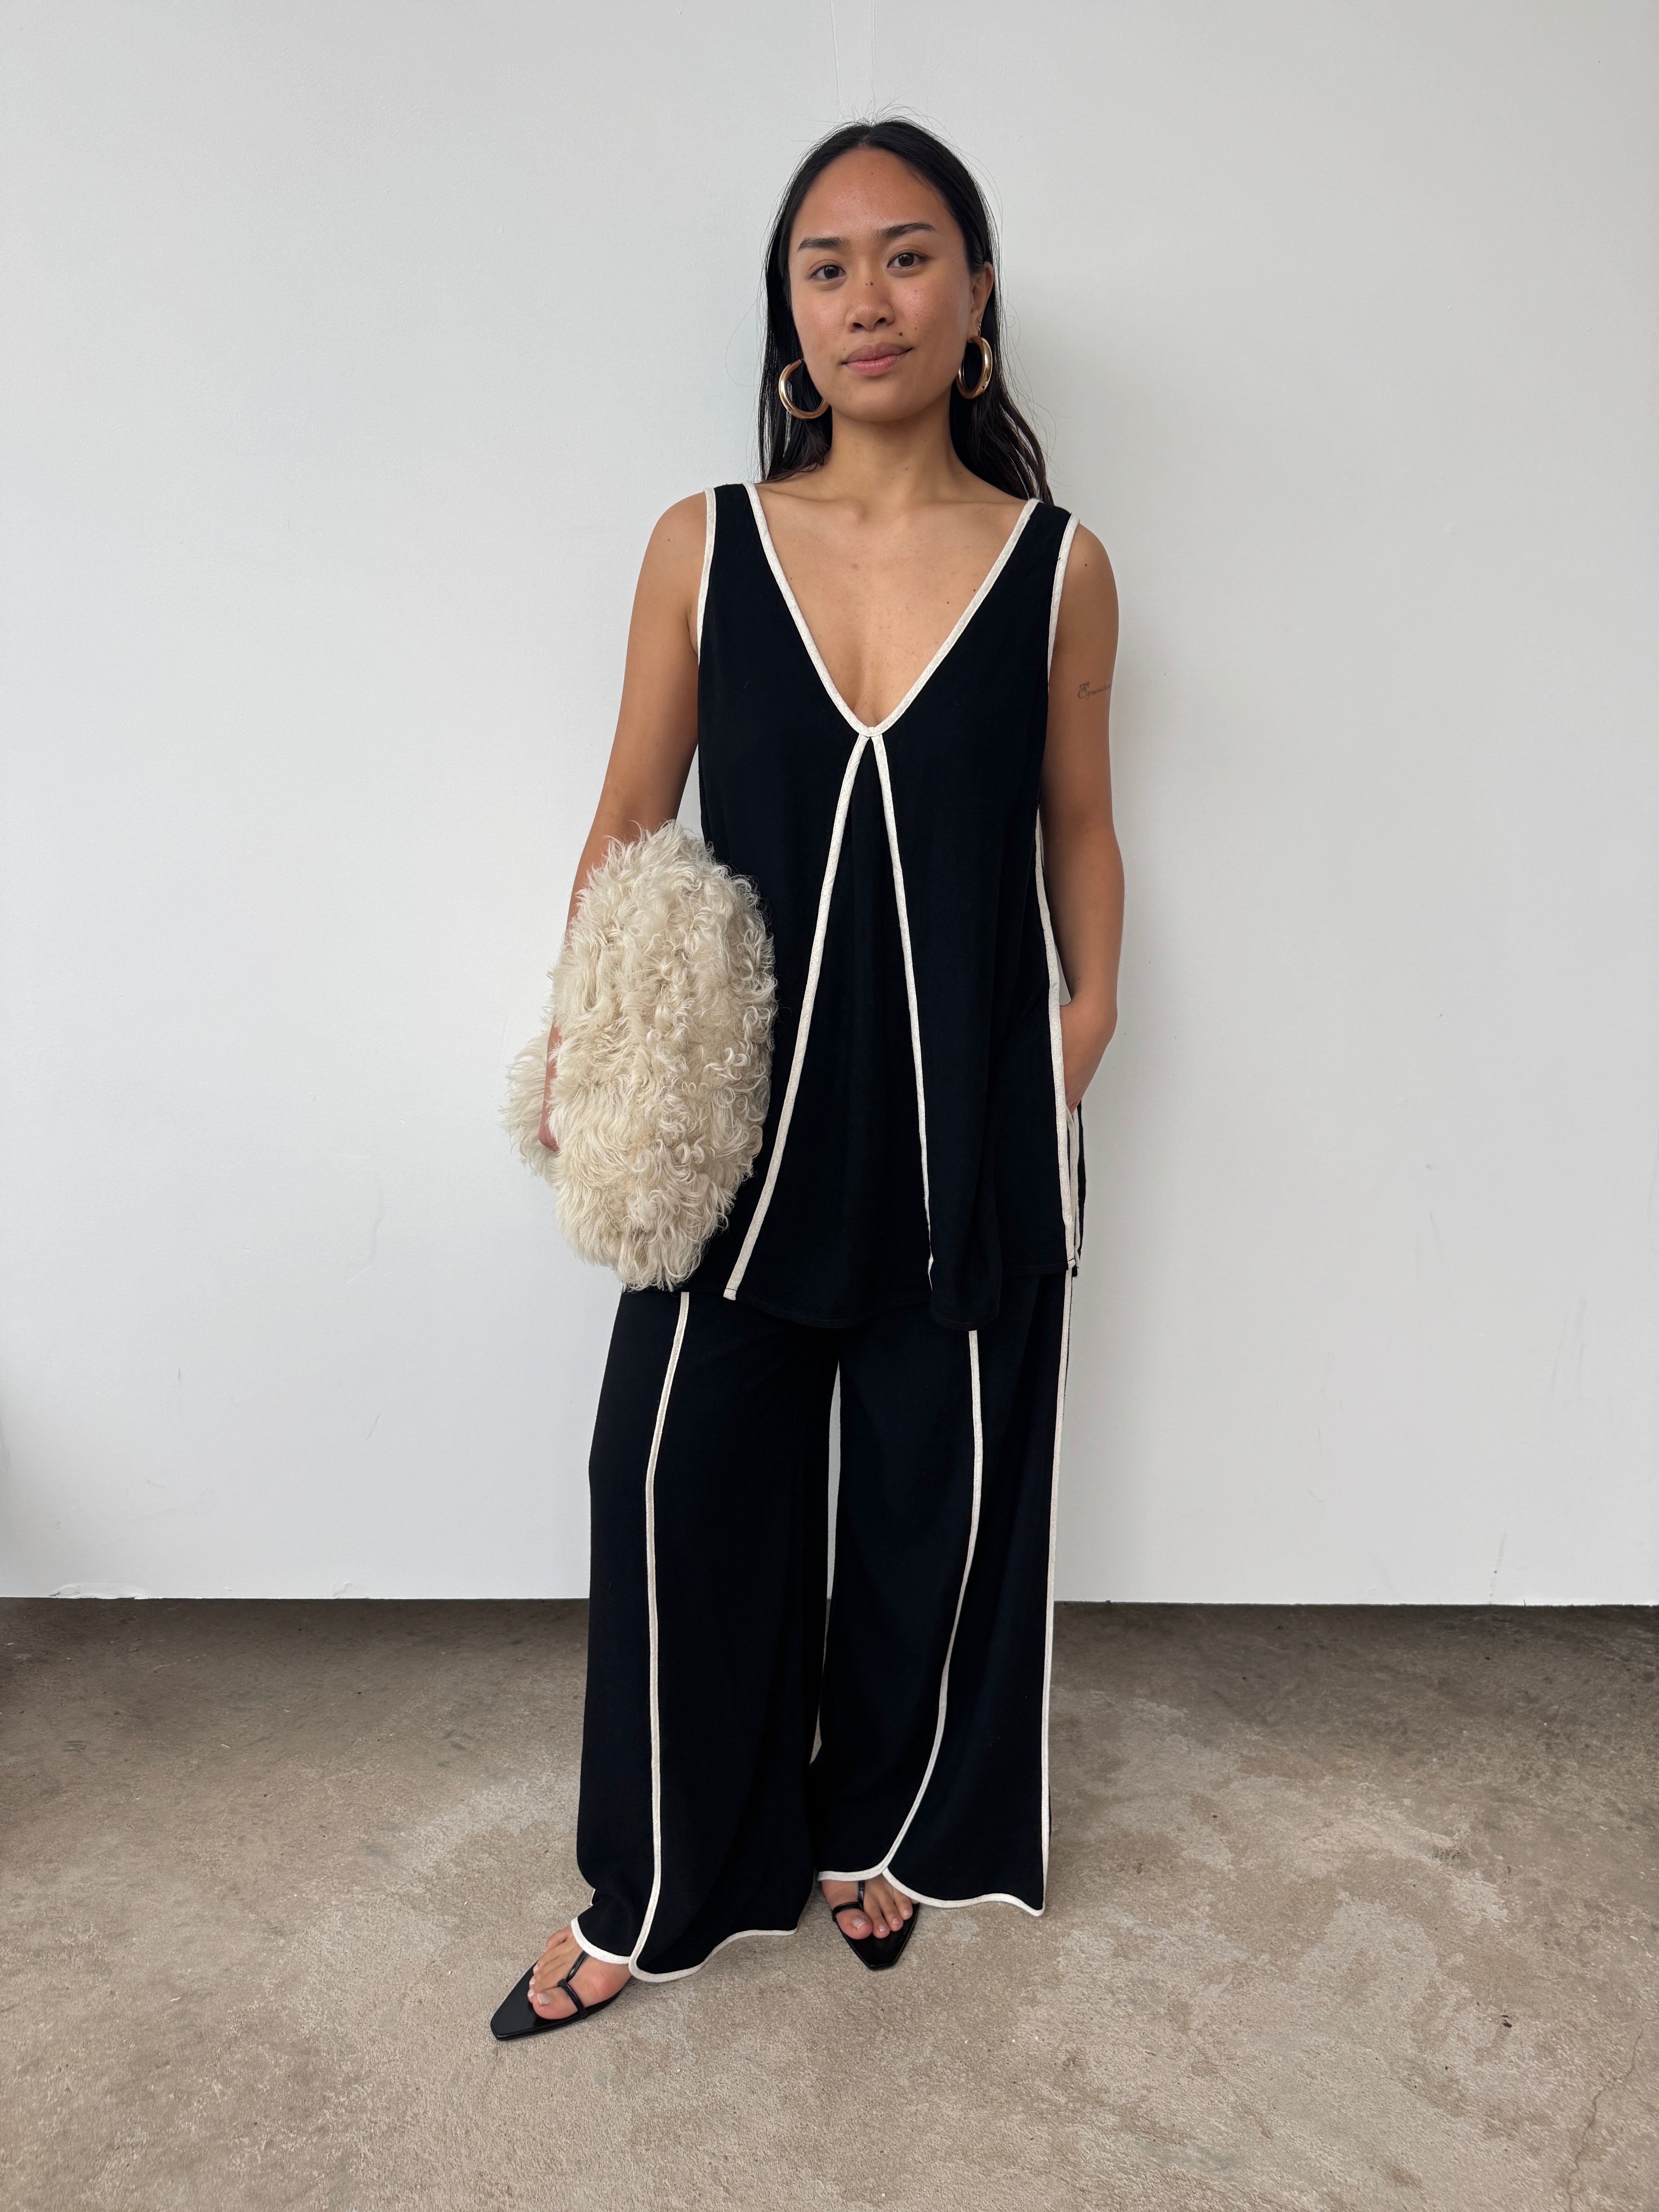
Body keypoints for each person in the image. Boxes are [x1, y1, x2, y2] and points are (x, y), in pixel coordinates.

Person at [491, 117, 1123, 2038]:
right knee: (671, 1478)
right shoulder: (705, 546)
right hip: (737, 1122)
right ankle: (659, 1885)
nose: (869, 299)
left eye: (909, 256)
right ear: (789, 310)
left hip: (968, 1110)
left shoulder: (1060, 568)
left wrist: (1085, 1025)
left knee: (939, 1493)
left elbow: (1080, 824)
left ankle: (883, 1830)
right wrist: (592, 1046)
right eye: (827, 266)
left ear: (977, 298)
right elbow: (629, 811)